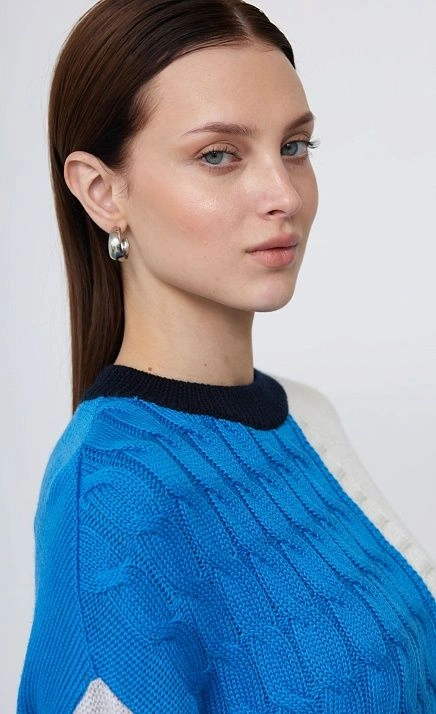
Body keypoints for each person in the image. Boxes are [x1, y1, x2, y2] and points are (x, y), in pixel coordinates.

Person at [17, 0, 436, 711]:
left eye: (295, 146)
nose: (283, 194)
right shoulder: (109, 502)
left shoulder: (305, 417)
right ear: (103, 192)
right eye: (219, 155)